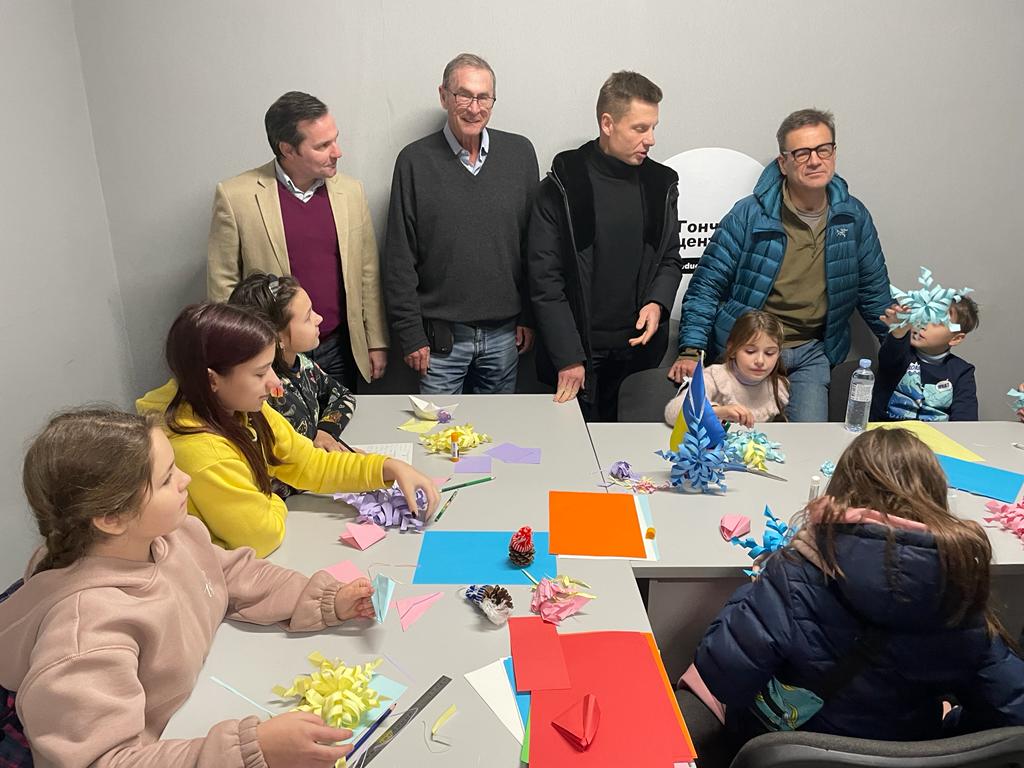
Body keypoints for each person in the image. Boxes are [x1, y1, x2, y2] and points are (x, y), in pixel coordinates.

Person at [0, 408, 376, 767]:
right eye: (166, 479)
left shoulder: (172, 533)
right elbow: (105, 761)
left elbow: (232, 574)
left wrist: (327, 600)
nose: (186, 479)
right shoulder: (84, 637)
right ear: (112, 518)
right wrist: (252, 752)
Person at [682, 429, 1024, 763]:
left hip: (793, 753)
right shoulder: (958, 591)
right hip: (907, 753)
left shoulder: (796, 572)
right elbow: (1013, 711)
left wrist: (757, 590)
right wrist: (946, 736)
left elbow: (723, 677)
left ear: (843, 490)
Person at [137, 303, 438, 557]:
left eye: (271, 367)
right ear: (212, 380)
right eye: (259, 373)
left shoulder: (241, 404)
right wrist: (272, 496)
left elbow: (308, 463)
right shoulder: (201, 452)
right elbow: (261, 537)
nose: (275, 383)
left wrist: (387, 467)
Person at [672, 109, 891, 422]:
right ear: (783, 163)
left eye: (823, 149)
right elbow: (706, 286)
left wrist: (905, 348)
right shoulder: (748, 215)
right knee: (735, 444)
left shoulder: (853, 216)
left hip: (811, 353)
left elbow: (875, 294)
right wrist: (692, 349)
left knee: (808, 444)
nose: (814, 161)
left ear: (834, 153)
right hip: (749, 351)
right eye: (801, 153)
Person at [528, 71, 682, 421]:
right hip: (578, 353)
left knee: (632, 466)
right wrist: (568, 357)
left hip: (637, 356)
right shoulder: (564, 185)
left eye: (654, 127)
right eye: (640, 129)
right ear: (607, 123)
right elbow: (545, 281)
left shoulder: (661, 185)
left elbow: (670, 258)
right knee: (574, 463)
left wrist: (658, 303)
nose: (651, 139)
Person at [207, 91, 388, 390]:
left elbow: (367, 272)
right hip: (271, 357)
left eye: (335, 139)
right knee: (282, 435)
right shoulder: (236, 197)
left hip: (340, 347)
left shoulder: (351, 192)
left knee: (337, 428)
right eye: (322, 145)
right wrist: (242, 353)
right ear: (287, 149)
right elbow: (223, 285)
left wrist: (376, 341)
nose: (337, 152)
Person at [384, 53, 539, 394]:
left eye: (483, 97)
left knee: (497, 437)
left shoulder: (520, 154)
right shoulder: (414, 161)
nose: (474, 108)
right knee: (436, 441)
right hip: (440, 342)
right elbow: (399, 258)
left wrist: (529, 315)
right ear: (444, 96)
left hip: (505, 337)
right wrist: (410, 334)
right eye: (463, 95)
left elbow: (534, 247)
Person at [228, 272, 356, 449]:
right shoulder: (262, 392)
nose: (318, 319)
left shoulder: (304, 365)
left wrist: (325, 432)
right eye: (307, 316)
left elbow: (342, 395)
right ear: (276, 336)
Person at [664, 310, 789, 427]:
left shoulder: (778, 386)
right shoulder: (714, 376)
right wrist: (716, 411)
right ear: (732, 349)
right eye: (750, 351)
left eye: (770, 353)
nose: (760, 361)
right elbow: (672, 413)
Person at [872, 296, 979, 421]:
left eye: (936, 323)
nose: (922, 325)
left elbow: (965, 420)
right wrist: (898, 332)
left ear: (955, 338)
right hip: (888, 434)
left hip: (935, 437)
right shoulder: (900, 355)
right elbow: (890, 355)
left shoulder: (962, 372)